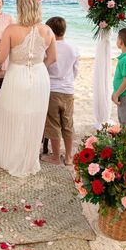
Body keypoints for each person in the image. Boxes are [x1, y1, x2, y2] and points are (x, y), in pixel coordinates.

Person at [0, 0, 57, 177]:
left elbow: (0, 58)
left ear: (21, 7)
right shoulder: (48, 30)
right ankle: (28, 160)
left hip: (16, 77)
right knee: (33, 117)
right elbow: (52, 58)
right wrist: (37, 66)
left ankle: (10, 159)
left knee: (12, 115)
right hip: (40, 78)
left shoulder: (11, 30)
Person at [41, 16, 79, 166]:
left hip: (52, 90)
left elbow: (44, 67)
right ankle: (69, 157)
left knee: (53, 124)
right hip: (68, 91)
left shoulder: (48, 48)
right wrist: (67, 81)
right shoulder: (73, 49)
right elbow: (75, 71)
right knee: (68, 124)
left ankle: (56, 157)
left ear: (50, 31)